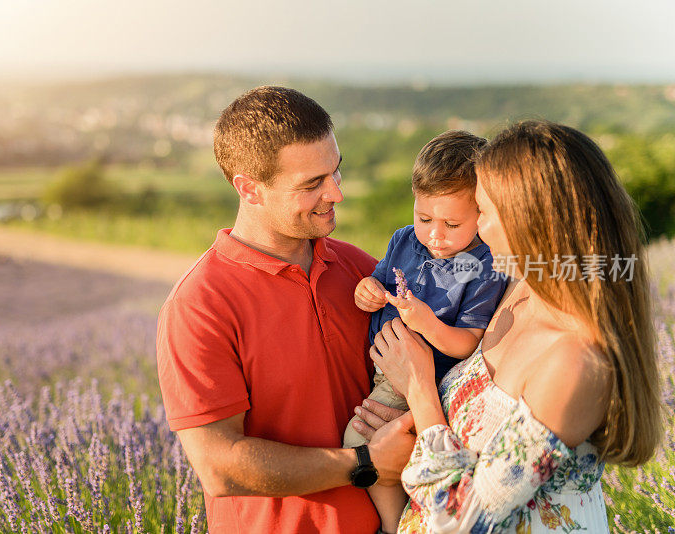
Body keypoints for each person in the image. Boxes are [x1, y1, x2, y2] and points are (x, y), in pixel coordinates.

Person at [356, 120, 662, 532]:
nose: (478, 228)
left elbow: (466, 520)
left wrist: (418, 389)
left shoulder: (575, 362)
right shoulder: (519, 288)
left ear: (533, 220)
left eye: (485, 210)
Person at [156, 86, 416, 534]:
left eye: (336, 172)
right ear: (250, 190)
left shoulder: (361, 268)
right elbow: (221, 467)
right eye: (311, 184)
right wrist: (365, 464)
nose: (336, 193)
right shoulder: (199, 305)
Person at [344, 130, 508, 533]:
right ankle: (392, 519)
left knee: (356, 441)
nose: (435, 234)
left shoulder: (485, 265)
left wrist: (427, 324)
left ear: (481, 215)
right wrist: (366, 290)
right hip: (383, 368)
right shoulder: (403, 240)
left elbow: (467, 342)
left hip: (424, 381)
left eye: (452, 223)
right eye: (424, 218)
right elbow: (379, 286)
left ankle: (391, 523)